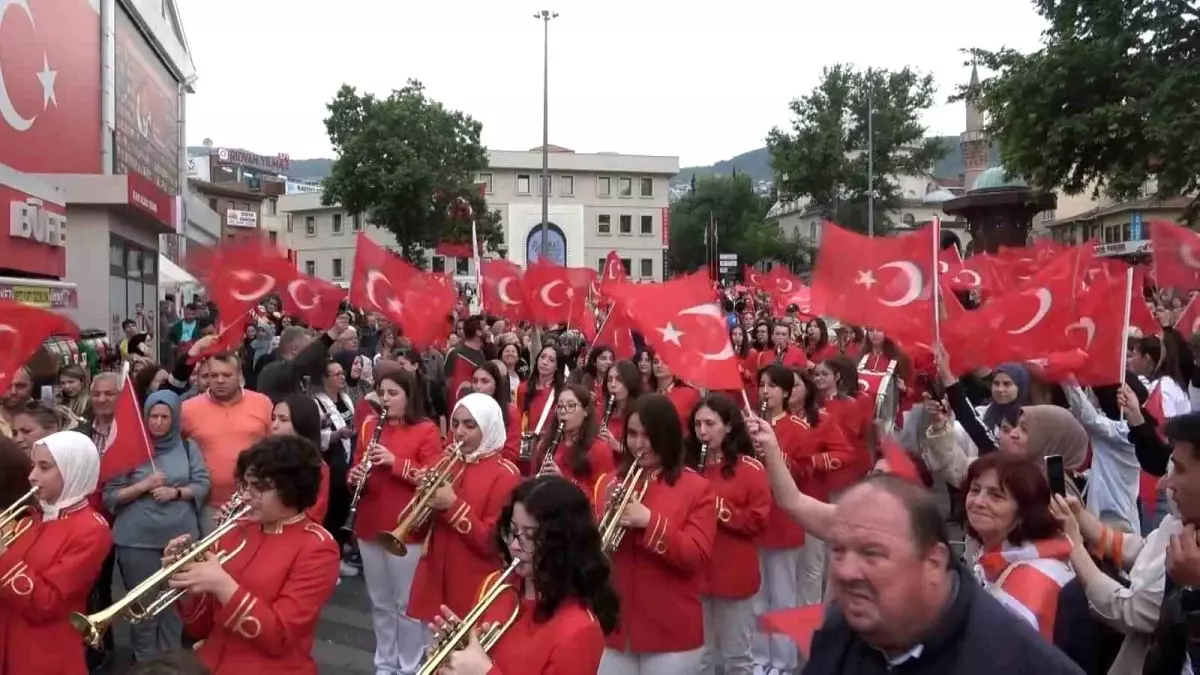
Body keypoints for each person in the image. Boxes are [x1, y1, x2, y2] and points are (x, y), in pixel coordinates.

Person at [744, 415, 1084, 675]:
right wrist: (771, 448)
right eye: (839, 550)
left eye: (872, 554)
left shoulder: (1012, 616)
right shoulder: (837, 633)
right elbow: (795, 503)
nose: (846, 570)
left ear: (932, 560)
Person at [165, 434, 339, 674]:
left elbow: (279, 638)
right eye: (246, 485)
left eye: (258, 488)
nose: (246, 496)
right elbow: (199, 628)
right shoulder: (234, 530)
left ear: (291, 489)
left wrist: (223, 585)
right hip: (210, 663)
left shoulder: (317, 547)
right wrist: (183, 583)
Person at [430, 475, 620, 674]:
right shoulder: (496, 586)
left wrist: (484, 671)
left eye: (529, 535)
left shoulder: (581, 629)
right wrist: (455, 656)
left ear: (563, 543)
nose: (513, 545)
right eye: (512, 531)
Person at [595, 393, 716, 675]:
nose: (639, 444)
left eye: (648, 436)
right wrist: (603, 520)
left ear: (667, 436)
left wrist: (649, 522)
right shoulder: (613, 483)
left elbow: (695, 556)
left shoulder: (697, 488)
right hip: (618, 630)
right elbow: (599, 554)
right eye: (633, 434)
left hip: (671, 633)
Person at [104, 391, 211, 663]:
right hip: (137, 540)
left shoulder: (188, 447)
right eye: (153, 416)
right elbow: (110, 496)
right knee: (144, 604)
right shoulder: (129, 449)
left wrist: (175, 493)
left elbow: (202, 484)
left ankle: (170, 660)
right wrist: (143, 486)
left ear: (175, 419)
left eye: (165, 417)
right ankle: (145, 661)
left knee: (174, 602)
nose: (158, 422)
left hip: (179, 537)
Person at [349, 366, 442, 675]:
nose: (386, 399)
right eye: (382, 392)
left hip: (406, 526)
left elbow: (433, 479)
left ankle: (410, 665)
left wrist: (396, 462)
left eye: (393, 393)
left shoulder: (426, 429)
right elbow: (355, 467)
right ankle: (385, 663)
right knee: (380, 602)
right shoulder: (369, 425)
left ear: (408, 396)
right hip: (369, 521)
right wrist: (355, 476)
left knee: (405, 603)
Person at [0, 431, 113, 675]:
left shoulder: (92, 530)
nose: (32, 476)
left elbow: (46, 603)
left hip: (44, 652)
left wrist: (3, 556)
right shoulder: (33, 516)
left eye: (44, 467)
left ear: (73, 469)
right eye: (33, 466)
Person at [407, 393, 522, 624]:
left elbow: (491, 543)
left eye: (470, 425)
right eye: (456, 424)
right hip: (434, 579)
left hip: (473, 584)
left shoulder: (506, 474)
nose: (459, 432)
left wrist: (452, 505)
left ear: (489, 427)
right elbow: (414, 531)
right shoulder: (444, 461)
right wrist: (422, 500)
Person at [687, 394, 770, 675]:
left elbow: (758, 521)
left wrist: (720, 510)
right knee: (702, 656)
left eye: (710, 423)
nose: (702, 431)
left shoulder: (750, 469)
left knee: (736, 656)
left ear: (729, 426)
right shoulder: (687, 469)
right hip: (696, 573)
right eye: (698, 424)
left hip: (733, 574)